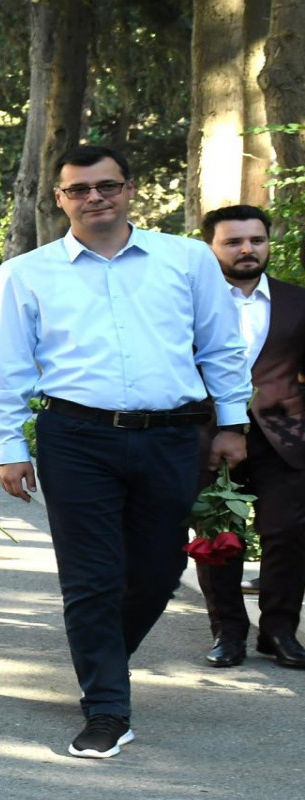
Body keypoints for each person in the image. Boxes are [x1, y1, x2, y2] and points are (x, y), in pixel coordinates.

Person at [0, 144, 251, 759]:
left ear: (130, 190)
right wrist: (6, 446)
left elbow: (220, 346)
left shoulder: (184, 260)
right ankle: (106, 707)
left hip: (172, 436)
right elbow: (9, 369)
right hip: (76, 439)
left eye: (107, 186)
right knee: (92, 577)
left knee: (159, 571)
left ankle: (102, 659)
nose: (95, 197)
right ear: (59, 198)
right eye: (79, 189)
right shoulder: (27, 273)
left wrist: (233, 422)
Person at [195, 205, 305, 670]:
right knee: (220, 535)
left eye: (256, 240)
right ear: (210, 247)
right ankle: (229, 632)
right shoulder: (187, 301)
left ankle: (279, 630)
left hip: (285, 437)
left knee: (290, 533)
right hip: (209, 436)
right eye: (234, 241)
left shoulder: (297, 300)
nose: (247, 249)